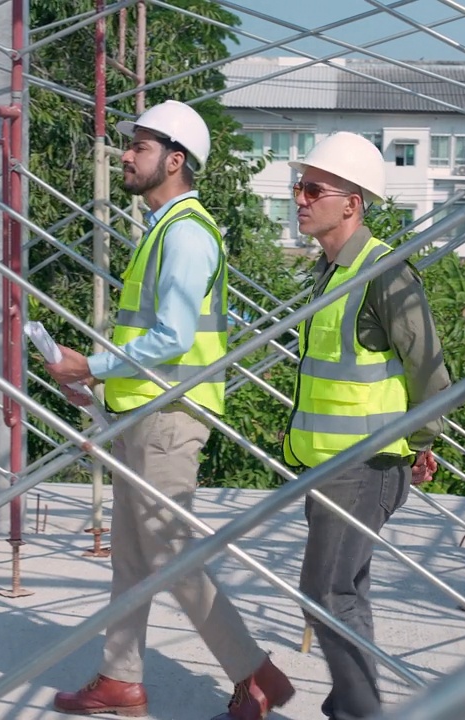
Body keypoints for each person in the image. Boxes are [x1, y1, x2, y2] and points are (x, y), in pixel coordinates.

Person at [44, 99, 293, 720]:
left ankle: (257, 675)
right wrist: (99, 388)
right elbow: (146, 340)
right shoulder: (162, 228)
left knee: (169, 556)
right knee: (134, 559)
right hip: (144, 413)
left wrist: (93, 367)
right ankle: (119, 680)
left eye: (141, 146)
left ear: (175, 160)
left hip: (169, 418)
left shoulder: (183, 232)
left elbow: (175, 338)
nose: (126, 155)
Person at [282, 131, 451, 720]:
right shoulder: (332, 271)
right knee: (345, 592)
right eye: (297, 187)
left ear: (352, 202)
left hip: (363, 465)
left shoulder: (383, 273)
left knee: (326, 595)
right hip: (334, 465)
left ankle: (359, 712)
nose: (299, 199)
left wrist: (420, 443)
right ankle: (358, 705)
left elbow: (430, 369)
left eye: (312, 189)